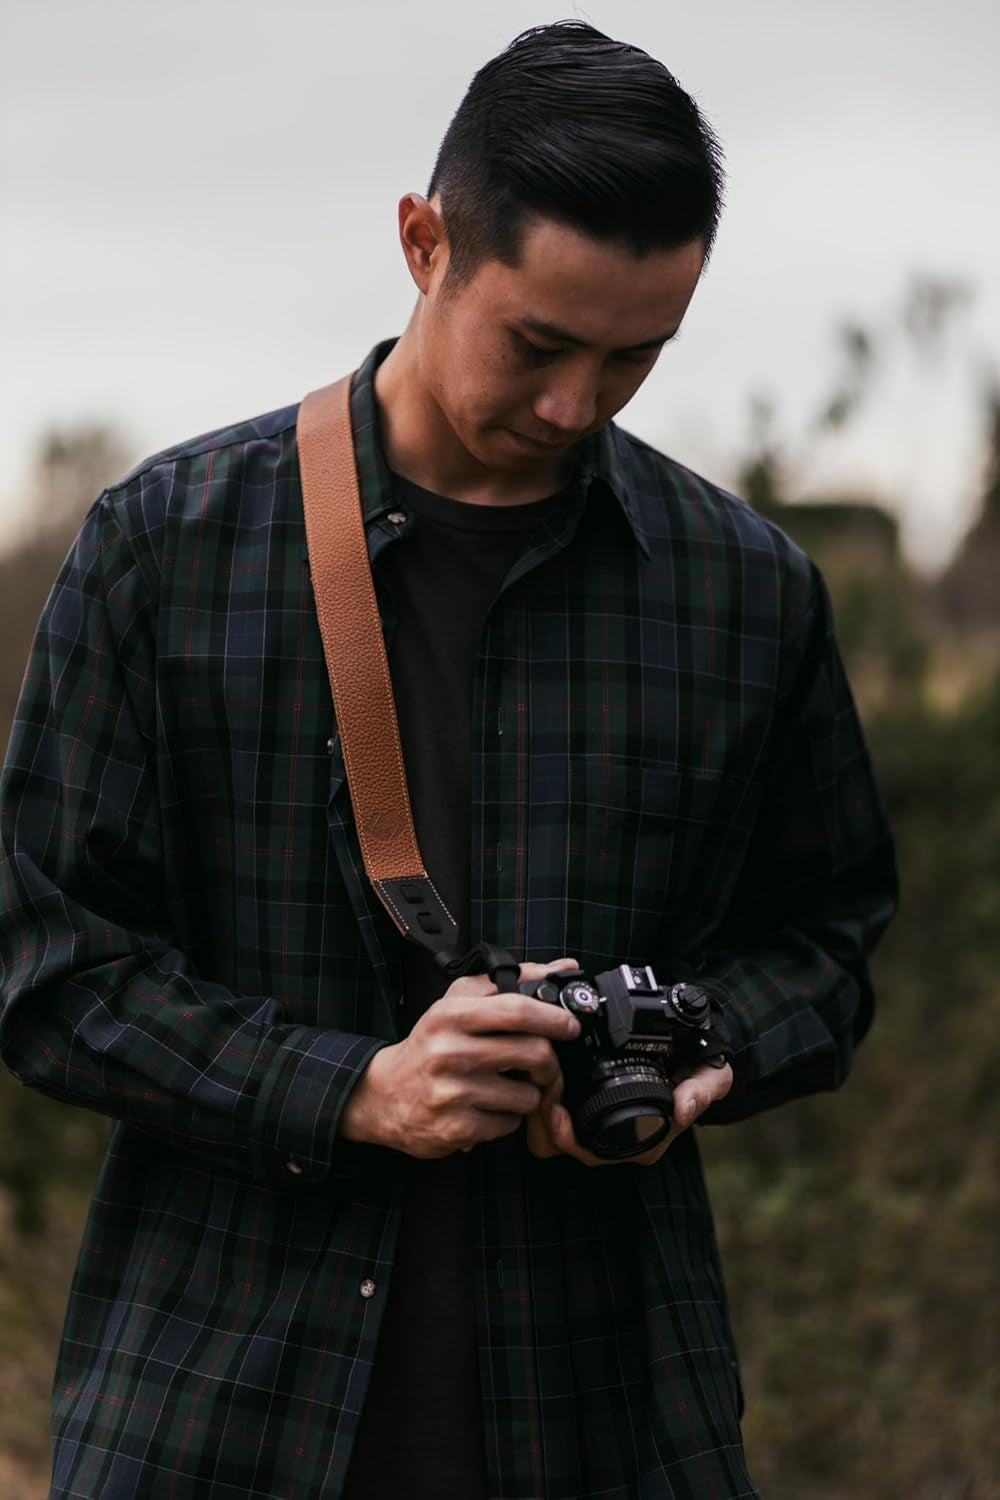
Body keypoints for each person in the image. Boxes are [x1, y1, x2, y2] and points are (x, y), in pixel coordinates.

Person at [0, 21, 897, 1500]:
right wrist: (349, 1091)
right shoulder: (163, 550)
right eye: (539, 343)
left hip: (611, 1412)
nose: (573, 404)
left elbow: (830, 946)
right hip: (216, 1415)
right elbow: (46, 968)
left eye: (635, 357)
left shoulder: (747, 591)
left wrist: (690, 1048)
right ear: (425, 243)